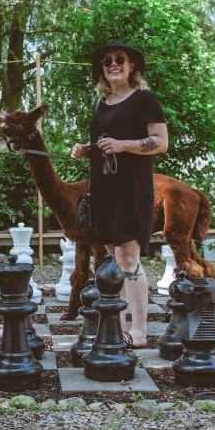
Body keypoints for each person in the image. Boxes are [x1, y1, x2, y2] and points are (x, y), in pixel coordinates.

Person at [71, 41, 168, 347]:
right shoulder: (102, 102)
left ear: (131, 66)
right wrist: (86, 150)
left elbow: (161, 142)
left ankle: (139, 332)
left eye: (119, 59)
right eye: (107, 61)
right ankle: (118, 328)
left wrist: (124, 144)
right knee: (113, 259)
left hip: (131, 189)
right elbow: (105, 145)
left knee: (129, 257)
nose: (113, 64)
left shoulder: (144, 100)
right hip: (104, 189)